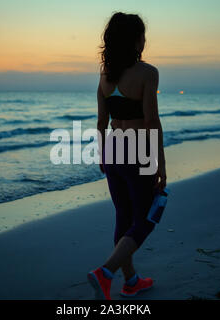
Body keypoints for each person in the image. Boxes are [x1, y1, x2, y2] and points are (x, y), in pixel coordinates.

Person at [87, 12, 167, 300]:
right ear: (135, 40)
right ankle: (106, 272)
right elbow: (151, 122)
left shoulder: (105, 76)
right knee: (146, 218)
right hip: (136, 153)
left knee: (123, 215)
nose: (145, 41)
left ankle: (131, 280)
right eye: (143, 35)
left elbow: (101, 122)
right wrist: (160, 163)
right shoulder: (148, 73)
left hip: (112, 151)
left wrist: (101, 155)